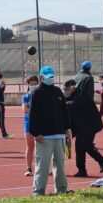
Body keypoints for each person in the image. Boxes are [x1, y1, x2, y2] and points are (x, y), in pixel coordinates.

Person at [28, 66, 72, 196]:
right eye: (48, 77)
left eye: (52, 76)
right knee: (42, 165)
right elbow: (32, 115)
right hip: (44, 136)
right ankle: (38, 191)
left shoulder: (58, 91)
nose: (50, 79)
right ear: (42, 77)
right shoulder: (36, 93)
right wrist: (35, 133)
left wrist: (67, 128)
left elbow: (64, 112)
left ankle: (61, 189)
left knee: (60, 164)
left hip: (59, 134)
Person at [70, 61, 103, 177]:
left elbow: (86, 98)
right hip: (84, 121)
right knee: (81, 145)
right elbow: (88, 96)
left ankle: (99, 161)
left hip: (89, 121)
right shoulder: (87, 78)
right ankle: (85, 168)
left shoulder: (79, 78)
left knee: (83, 144)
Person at [22, 74, 39, 175]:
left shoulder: (41, 95)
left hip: (39, 124)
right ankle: (28, 168)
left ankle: (41, 167)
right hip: (28, 123)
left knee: (40, 147)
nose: (33, 85)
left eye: (35, 84)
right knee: (30, 146)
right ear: (28, 85)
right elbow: (25, 110)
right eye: (31, 84)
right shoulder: (26, 96)